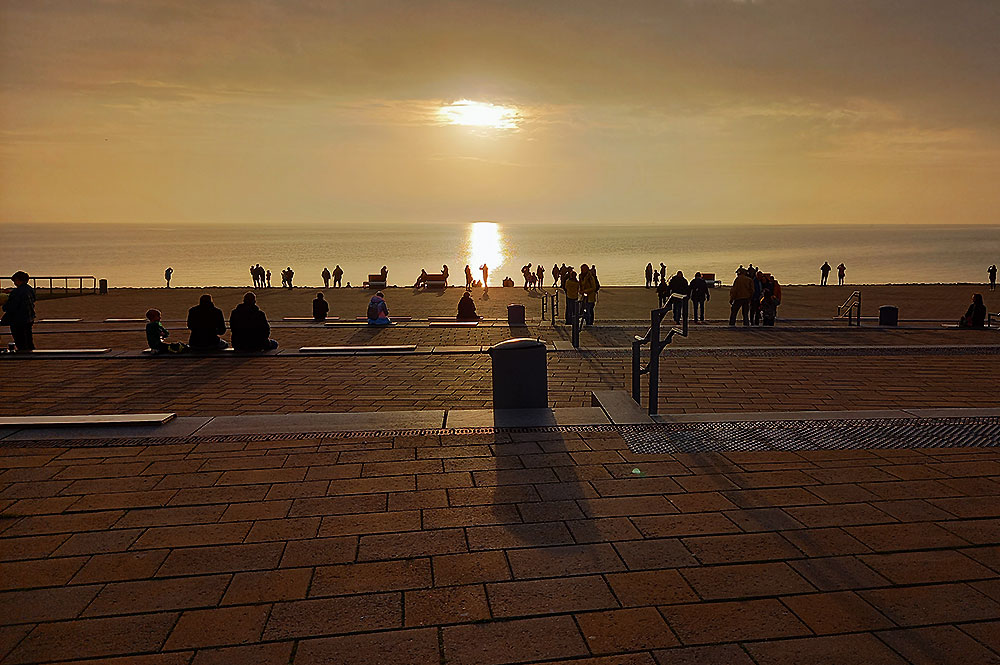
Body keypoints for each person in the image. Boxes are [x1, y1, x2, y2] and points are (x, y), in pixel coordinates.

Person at [2, 271, 36, 352]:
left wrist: (4, 305)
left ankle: (23, 353)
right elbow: (33, 299)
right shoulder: (29, 289)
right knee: (28, 336)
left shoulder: (16, 292)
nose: (14, 283)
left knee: (19, 339)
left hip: (18, 319)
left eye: (15, 281)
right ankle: (31, 351)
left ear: (18, 280)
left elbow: (10, 307)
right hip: (29, 317)